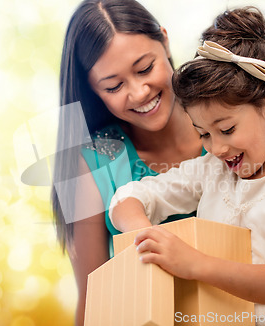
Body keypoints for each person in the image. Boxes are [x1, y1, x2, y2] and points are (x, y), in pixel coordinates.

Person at [109, 7, 265, 326]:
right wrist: (145, 236)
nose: (217, 148)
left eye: (227, 129)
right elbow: (130, 196)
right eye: (203, 134)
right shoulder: (212, 171)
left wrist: (194, 263)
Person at [52, 1, 203, 325]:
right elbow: (93, 301)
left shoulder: (227, 122)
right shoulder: (90, 163)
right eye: (114, 86)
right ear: (94, 90)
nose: (138, 92)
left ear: (164, 41)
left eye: (145, 68)